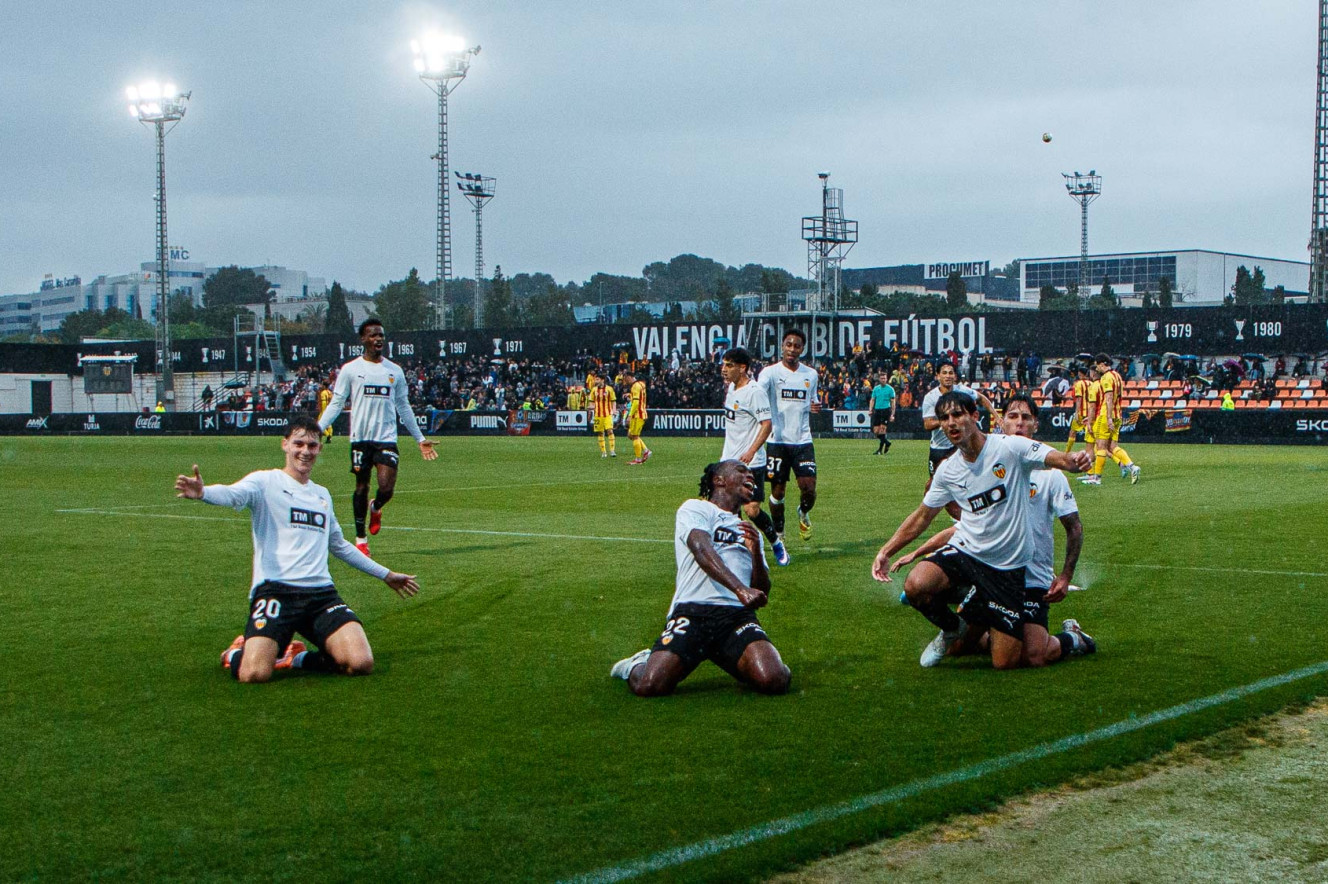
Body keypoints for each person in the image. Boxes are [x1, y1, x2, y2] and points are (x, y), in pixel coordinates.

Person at [174, 416, 421, 684]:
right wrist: (204, 493)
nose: (305, 451)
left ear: (319, 449)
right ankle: (234, 653)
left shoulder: (321, 495)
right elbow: (234, 494)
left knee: (361, 663)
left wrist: (386, 574)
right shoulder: (265, 482)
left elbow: (338, 545)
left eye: (312, 446)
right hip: (276, 591)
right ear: (285, 445)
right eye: (299, 444)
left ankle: (296, 658)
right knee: (254, 674)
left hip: (320, 595)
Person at [870, 392, 1091, 670]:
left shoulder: (1013, 450)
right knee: (917, 585)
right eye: (944, 418)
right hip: (971, 557)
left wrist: (1074, 460)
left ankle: (1069, 637)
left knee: (1010, 660)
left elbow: (1061, 462)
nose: (951, 423)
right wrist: (887, 551)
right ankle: (953, 628)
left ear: (975, 416)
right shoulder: (949, 470)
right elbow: (924, 516)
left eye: (957, 415)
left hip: (1010, 570)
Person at [610, 460, 791, 696]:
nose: (750, 476)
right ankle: (637, 663)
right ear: (719, 480)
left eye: (751, 474)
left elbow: (761, 591)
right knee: (650, 685)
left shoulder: (748, 530)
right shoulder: (696, 509)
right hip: (692, 611)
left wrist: (756, 552)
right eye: (741, 471)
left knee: (774, 680)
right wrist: (739, 589)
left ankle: (723, 651)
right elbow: (700, 548)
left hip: (736, 616)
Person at [317, 318, 438, 557]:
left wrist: (419, 438)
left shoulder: (394, 371)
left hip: (386, 438)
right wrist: (317, 429)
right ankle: (361, 539)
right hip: (360, 438)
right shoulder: (351, 369)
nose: (378, 339)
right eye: (373, 335)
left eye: (381, 335)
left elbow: (403, 406)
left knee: (386, 487)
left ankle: (377, 506)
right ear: (363, 339)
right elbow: (337, 402)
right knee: (361, 486)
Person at [720, 348, 788, 566]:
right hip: (728, 461)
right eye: (723, 364)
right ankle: (744, 550)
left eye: (729, 365)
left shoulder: (755, 392)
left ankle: (775, 541)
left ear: (743, 368)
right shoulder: (731, 388)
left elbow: (767, 424)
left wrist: (751, 451)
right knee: (730, 509)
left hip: (751, 462)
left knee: (752, 509)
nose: (724, 369)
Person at [757, 329, 821, 543]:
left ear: (802, 349)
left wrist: (815, 406)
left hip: (802, 441)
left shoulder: (811, 374)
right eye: (789, 345)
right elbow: (758, 393)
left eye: (797, 346)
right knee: (778, 492)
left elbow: (813, 400)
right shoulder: (769, 373)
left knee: (809, 488)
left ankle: (803, 512)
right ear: (782, 346)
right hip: (777, 441)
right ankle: (779, 532)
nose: (792, 349)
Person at [920, 362, 998, 515]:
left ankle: (971, 516)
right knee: (936, 486)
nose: (948, 376)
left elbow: (981, 398)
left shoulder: (961, 390)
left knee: (968, 481)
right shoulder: (931, 397)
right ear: (938, 376)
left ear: (955, 376)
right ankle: (936, 512)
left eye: (951, 373)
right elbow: (927, 424)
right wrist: (947, 419)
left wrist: (996, 416)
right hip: (939, 449)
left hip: (959, 445)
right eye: (944, 373)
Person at [1087, 353, 1140, 485]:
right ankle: (1132, 467)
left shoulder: (1106, 377)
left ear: (1102, 364)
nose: (1096, 368)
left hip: (1106, 415)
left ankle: (1097, 478)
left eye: (1097, 365)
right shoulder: (1117, 375)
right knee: (1113, 446)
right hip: (1118, 415)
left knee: (1100, 446)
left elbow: (1109, 398)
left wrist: (1108, 418)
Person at [622, 369, 653, 465]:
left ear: (629, 377)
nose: (625, 381)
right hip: (641, 413)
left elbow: (636, 402)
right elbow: (639, 396)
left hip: (638, 414)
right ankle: (646, 451)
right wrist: (630, 395)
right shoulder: (641, 384)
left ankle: (638, 459)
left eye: (626, 379)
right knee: (630, 435)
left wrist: (630, 415)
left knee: (634, 436)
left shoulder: (635, 386)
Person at [586, 372, 618, 458]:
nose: (595, 381)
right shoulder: (594, 390)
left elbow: (613, 401)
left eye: (597, 379)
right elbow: (592, 402)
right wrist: (590, 407)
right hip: (597, 415)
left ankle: (612, 450)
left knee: (610, 431)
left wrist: (614, 410)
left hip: (607, 414)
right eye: (595, 379)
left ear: (602, 380)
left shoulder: (609, 389)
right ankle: (603, 452)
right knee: (600, 433)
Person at [1064, 364, 1092, 453]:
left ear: (1080, 373)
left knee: (1072, 432)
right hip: (1090, 412)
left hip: (1081, 412)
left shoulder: (1079, 384)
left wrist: (1076, 412)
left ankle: (1067, 452)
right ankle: (1091, 452)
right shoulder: (1092, 383)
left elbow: (1079, 399)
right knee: (1090, 433)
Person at [869, 370, 897, 455]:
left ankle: (880, 450)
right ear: (879, 379)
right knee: (875, 431)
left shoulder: (890, 389)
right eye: (882, 378)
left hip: (886, 410)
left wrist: (892, 414)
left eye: (884, 378)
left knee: (882, 431)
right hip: (877, 410)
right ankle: (887, 443)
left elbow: (893, 402)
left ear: (887, 379)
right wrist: (870, 409)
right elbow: (872, 400)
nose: (883, 380)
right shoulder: (876, 389)